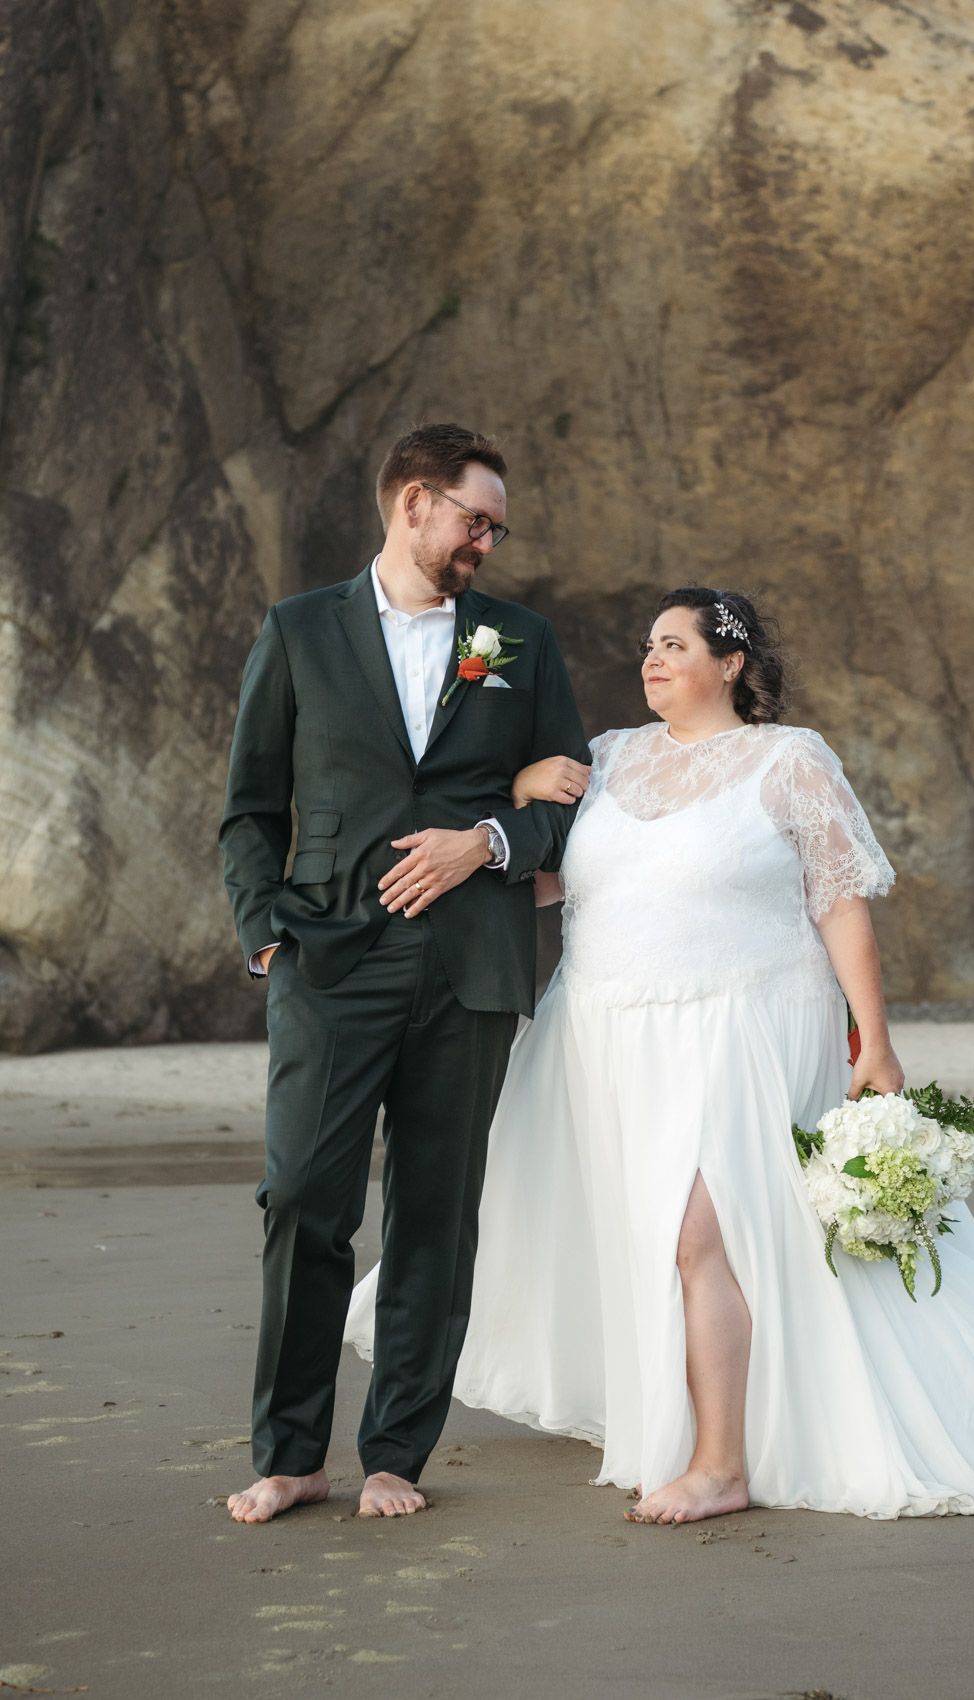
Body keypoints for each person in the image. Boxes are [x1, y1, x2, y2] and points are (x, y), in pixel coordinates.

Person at [347, 585, 974, 1524]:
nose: (652, 657)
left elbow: (838, 899)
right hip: (603, 1034)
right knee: (650, 1244)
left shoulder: (787, 761)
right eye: (647, 643)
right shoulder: (604, 762)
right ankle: (688, 1429)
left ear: (730, 665)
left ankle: (720, 1465)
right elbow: (556, 881)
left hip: (745, 1025)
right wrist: (513, 801)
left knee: (694, 1237)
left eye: (675, 644)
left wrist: (873, 1037)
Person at [219, 423, 588, 1523]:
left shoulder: (517, 639)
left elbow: (568, 806)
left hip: (469, 965)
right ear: (414, 502)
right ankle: (290, 1452)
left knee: (436, 1210)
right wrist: (266, 933)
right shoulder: (297, 631)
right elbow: (249, 807)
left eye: (496, 528)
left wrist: (484, 839)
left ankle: (395, 1453)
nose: (488, 542)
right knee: (301, 1195)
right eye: (477, 520)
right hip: (327, 960)